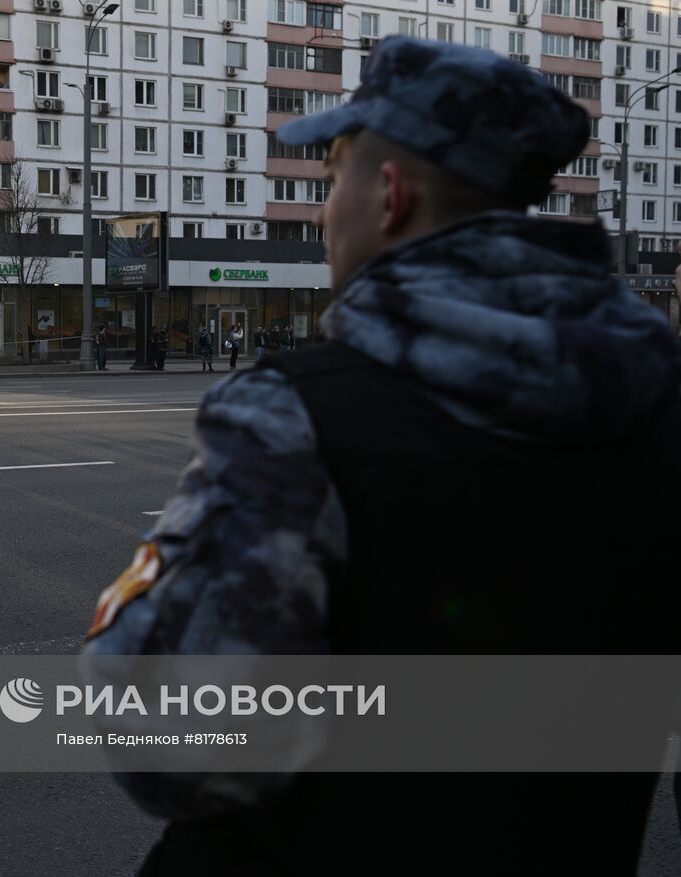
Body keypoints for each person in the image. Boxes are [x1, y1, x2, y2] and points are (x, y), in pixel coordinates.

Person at [84, 37, 681, 874]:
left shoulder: (294, 413)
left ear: (390, 196)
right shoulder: (659, 403)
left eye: (332, 179)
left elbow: (178, 752)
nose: (327, 208)